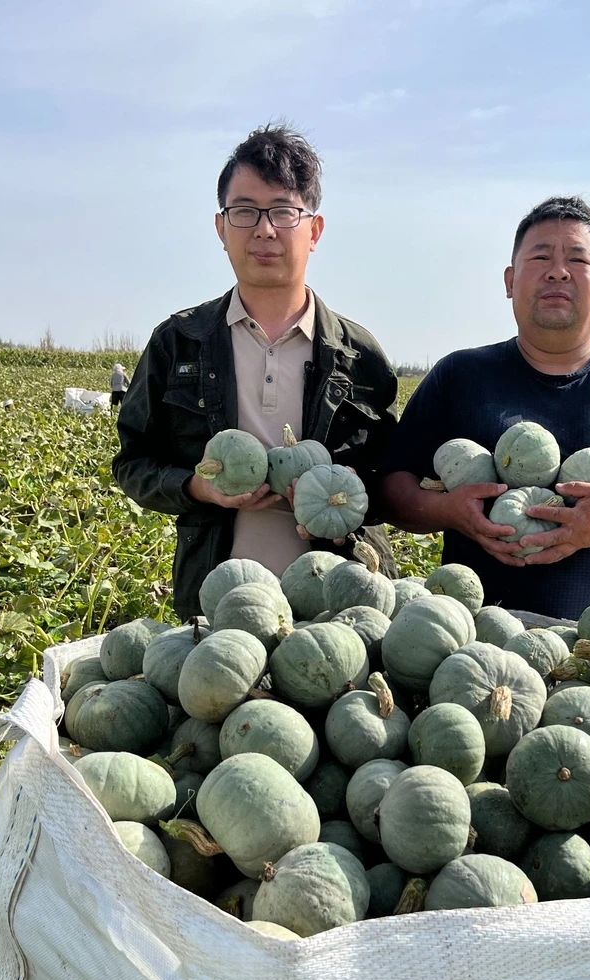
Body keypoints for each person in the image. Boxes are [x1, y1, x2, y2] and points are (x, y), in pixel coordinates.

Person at [379, 195, 590, 620]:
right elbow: (392, 487)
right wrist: (447, 510)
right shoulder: (459, 375)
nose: (558, 270)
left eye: (578, 260)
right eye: (540, 256)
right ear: (509, 281)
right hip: (468, 646)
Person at [113, 124, 398, 620]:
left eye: (284, 212)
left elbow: (393, 481)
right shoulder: (178, 343)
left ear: (314, 230)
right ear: (222, 228)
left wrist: (346, 504)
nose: (264, 229)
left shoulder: (360, 355)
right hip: (220, 608)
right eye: (245, 211)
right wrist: (196, 487)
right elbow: (133, 463)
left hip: (339, 610)